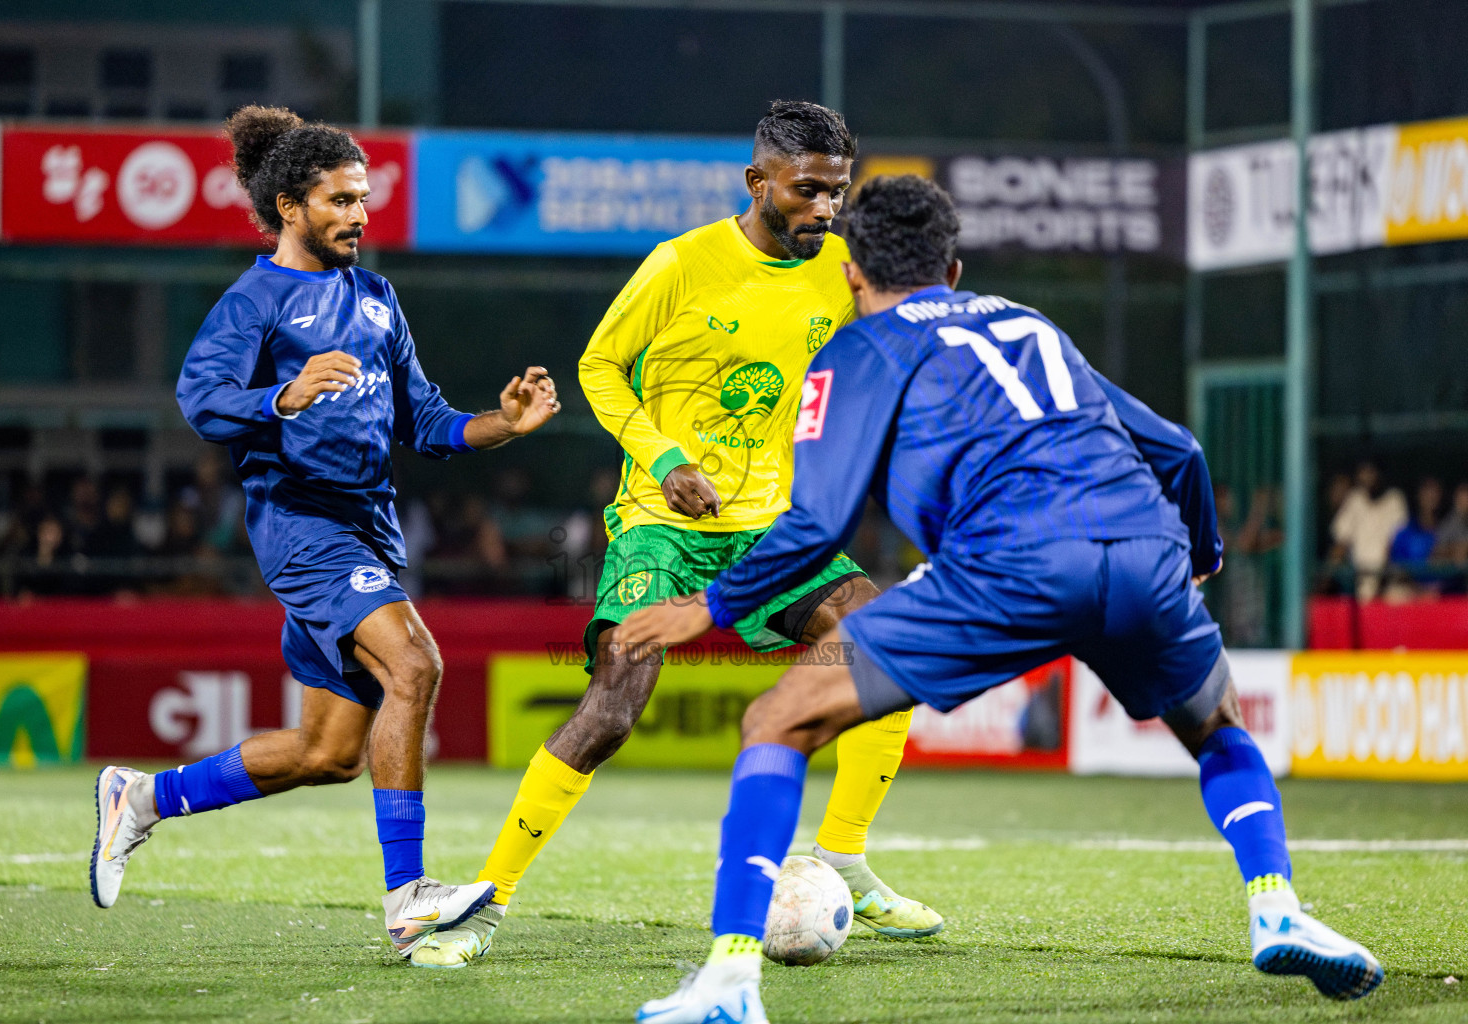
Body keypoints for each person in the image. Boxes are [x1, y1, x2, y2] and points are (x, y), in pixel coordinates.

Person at [616, 175, 1383, 1022]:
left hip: (1006, 563)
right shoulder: (1028, 322)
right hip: (1140, 550)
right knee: (1217, 727)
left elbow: (818, 521)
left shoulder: (855, 350)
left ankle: (728, 982)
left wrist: (710, 606)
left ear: (851, 276)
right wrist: (1198, 557)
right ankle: (1276, 904)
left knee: (778, 720)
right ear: (953, 269)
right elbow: (1181, 450)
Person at [422, 101, 941, 968]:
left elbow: (881, 368)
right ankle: (483, 905)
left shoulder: (842, 271)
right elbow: (598, 364)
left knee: (888, 645)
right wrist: (663, 460)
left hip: (773, 526)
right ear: (758, 181)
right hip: (661, 524)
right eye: (807, 190)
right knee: (614, 709)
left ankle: (843, 852)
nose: (823, 209)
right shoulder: (682, 264)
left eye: (836, 192)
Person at [89, 105, 561, 963]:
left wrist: (505, 423)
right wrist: (282, 395)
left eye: (363, 198)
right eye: (340, 199)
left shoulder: (376, 299)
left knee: (328, 752)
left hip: (368, 530)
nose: (359, 214)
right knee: (415, 663)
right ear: (291, 206)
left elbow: (427, 420)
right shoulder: (254, 300)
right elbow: (200, 399)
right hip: (301, 524)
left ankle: (144, 798)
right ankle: (410, 900)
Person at [1328, 461, 1407, 602]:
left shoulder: (1395, 499)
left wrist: (1382, 575)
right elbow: (1341, 542)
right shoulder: (1354, 499)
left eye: (1371, 472)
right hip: (1359, 582)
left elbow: (1396, 543)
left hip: (1389, 582)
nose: (1367, 477)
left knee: (1399, 595)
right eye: (1363, 472)